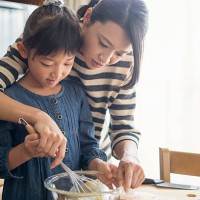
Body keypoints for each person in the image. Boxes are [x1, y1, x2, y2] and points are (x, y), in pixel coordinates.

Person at [0, 0, 149, 191]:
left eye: (119, 53)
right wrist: (38, 116)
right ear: (87, 18)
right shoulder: (51, 32)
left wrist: (130, 156)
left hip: (89, 172)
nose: (106, 59)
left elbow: (122, 127)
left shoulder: (124, 64)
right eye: (103, 43)